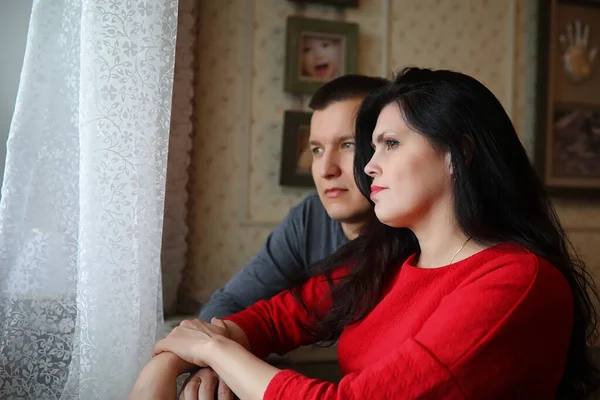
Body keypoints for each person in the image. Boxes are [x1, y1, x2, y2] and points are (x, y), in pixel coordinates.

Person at [130, 67, 600, 399]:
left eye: (390, 144)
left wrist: (212, 348)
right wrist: (170, 362)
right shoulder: (385, 258)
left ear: (460, 154)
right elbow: (274, 318)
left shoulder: (515, 282)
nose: (368, 167)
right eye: (371, 147)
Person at [181, 74, 390, 399]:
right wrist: (211, 359)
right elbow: (235, 302)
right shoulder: (310, 218)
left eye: (348, 145)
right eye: (317, 149)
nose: (325, 169)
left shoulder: (418, 240)